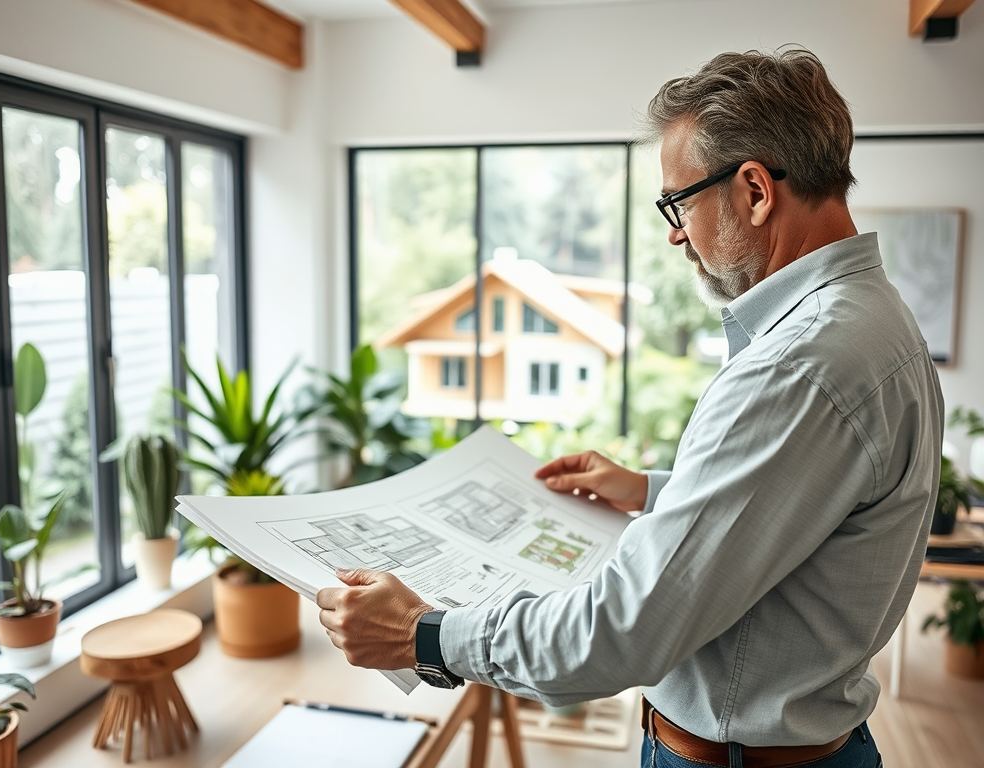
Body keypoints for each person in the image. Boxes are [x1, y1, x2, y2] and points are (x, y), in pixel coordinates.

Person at [317, 48, 942, 768]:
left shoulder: (798, 365)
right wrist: (650, 491)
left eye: (679, 202)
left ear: (754, 191)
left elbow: (626, 630)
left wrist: (423, 636)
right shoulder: (873, 319)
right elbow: (811, 512)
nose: (675, 232)